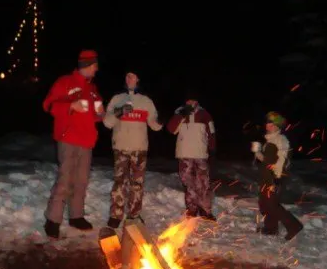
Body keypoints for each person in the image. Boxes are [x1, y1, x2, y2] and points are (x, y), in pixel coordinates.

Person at [42, 49, 104, 239]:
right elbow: (48, 105)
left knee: (82, 180)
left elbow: (95, 116)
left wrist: (101, 112)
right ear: (87, 65)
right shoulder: (64, 82)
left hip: (86, 140)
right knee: (65, 179)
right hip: (68, 139)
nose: (97, 70)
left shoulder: (93, 89)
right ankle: (53, 220)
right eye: (95, 66)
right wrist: (70, 106)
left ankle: (76, 216)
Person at [103, 72, 163, 228]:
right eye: (127, 76)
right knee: (119, 183)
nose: (129, 79)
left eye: (133, 76)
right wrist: (119, 112)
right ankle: (116, 215)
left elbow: (155, 125)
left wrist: (163, 120)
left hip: (139, 148)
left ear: (139, 79)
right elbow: (107, 123)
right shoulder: (117, 99)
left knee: (137, 184)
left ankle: (134, 215)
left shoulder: (146, 101)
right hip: (121, 147)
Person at [166, 91, 217, 221]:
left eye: (193, 101)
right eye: (188, 101)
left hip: (200, 154)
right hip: (185, 155)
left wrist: (212, 149)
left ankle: (205, 210)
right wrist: (182, 115)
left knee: (203, 183)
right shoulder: (180, 113)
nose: (191, 104)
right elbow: (171, 129)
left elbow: (211, 133)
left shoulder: (205, 115)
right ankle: (192, 209)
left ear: (197, 102)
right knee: (189, 183)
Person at [254, 111, 303, 241]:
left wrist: (277, 178)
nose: (268, 125)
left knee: (271, 204)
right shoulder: (270, 140)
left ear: (277, 126)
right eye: (267, 122)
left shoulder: (281, 140)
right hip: (266, 176)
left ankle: (294, 226)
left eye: (271, 123)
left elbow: (282, 160)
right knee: (264, 203)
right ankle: (271, 228)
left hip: (274, 177)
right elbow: (268, 160)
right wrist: (257, 153)